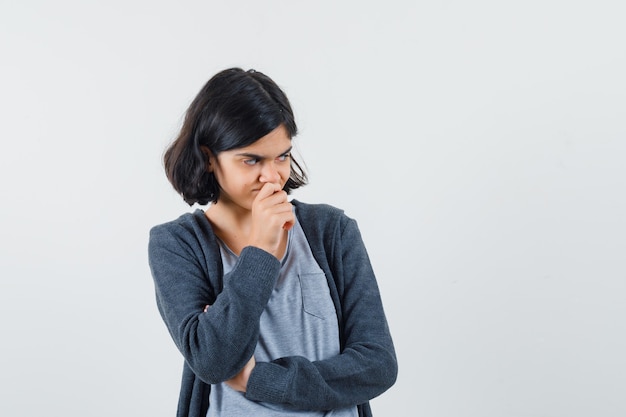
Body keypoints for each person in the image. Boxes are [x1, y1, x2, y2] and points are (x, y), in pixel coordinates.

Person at [148, 67, 397, 417]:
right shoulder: (176, 245)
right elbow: (213, 361)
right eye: (251, 160)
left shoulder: (331, 231)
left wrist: (261, 379)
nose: (273, 176)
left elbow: (378, 364)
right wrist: (261, 251)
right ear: (208, 158)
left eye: (282, 156)